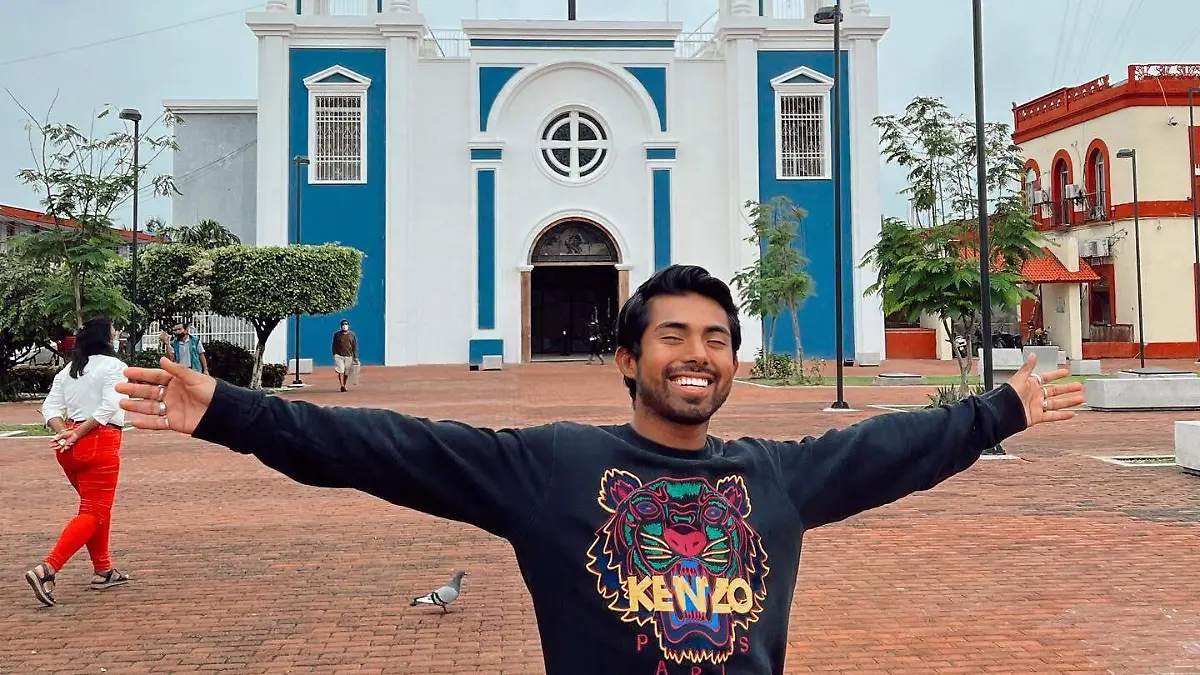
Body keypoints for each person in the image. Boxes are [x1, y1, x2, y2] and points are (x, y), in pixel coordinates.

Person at [116, 265, 1084, 675]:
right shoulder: (553, 468)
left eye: (716, 338)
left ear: (735, 366)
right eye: (672, 336)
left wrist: (1001, 410)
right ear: (628, 360)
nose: (696, 353)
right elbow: (385, 449)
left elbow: (890, 452)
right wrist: (232, 414)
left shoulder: (773, 478)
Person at [26, 317, 132, 607]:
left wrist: (66, 433)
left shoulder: (69, 370)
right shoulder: (114, 367)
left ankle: (103, 569)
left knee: (96, 510)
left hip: (70, 450)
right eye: (114, 332)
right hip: (99, 442)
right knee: (93, 513)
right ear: (107, 339)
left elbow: (49, 408)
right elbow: (109, 408)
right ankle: (47, 569)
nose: (118, 335)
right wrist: (78, 433)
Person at [331, 319, 359, 393]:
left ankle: (344, 383)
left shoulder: (352, 335)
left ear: (348, 326)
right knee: (341, 371)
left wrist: (355, 356)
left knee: (346, 372)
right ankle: (342, 385)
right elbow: (334, 344)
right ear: (341, 326)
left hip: (348, 356)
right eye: (343, 325)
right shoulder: (337, 335)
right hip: (339, 356)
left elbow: (354, 346)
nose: (344, 326)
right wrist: (334, 353)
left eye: (346, 324)